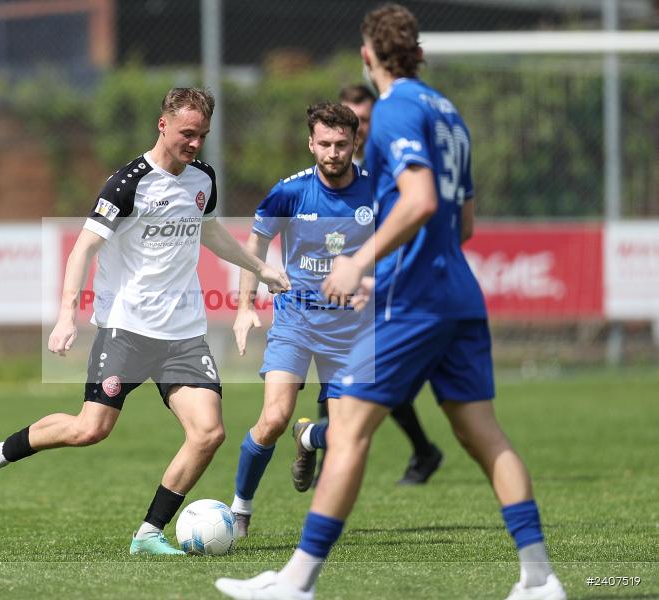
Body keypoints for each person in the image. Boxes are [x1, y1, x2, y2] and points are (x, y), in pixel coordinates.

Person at [215, 5, 566, 600]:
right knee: (485, 433)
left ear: (367, 55)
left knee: (345, 430)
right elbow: (466, 224)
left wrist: (364, 261)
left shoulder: (396, 109)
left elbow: (422, 200)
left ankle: (296, 583)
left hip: (421, 299)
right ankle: (539, 577)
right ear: (419, 53)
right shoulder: (448, 113)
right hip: (459, 291)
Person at [0, 87, 289, 557]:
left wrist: (260, 268)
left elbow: (208, 231)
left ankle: (148, 533)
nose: (195, 144)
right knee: (91, 430)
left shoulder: (203, 178)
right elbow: (83, 247)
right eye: (188, 133)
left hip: (184, 333)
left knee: (209, 433)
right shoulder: (128, 183)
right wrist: (67, 314)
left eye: (202, 135)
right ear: (162, 124)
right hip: (126, 329)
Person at [228, 102, 374, 538]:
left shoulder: (378, 192)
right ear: (311, 144)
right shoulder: (289, 192)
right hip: (296, 319)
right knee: (273, 418)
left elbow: (400, 245)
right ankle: (239, 511)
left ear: (355, 144)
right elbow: (253, 246)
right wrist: (244, 306)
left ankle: (309, 438)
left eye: (341, 144)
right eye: (324, 144)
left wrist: (376, 284)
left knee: (349, 437)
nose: (333, 153)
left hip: (351, 329)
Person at [305, 83, 443, 489]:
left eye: (365, 120)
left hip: (381, 282)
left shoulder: (389, 161)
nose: (359, 128)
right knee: (362, 375)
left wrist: (369, 273)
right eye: (354, 119)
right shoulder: (334, 164)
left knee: (368, 375)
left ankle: (329, 455)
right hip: (343, 283)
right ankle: (419, 450)